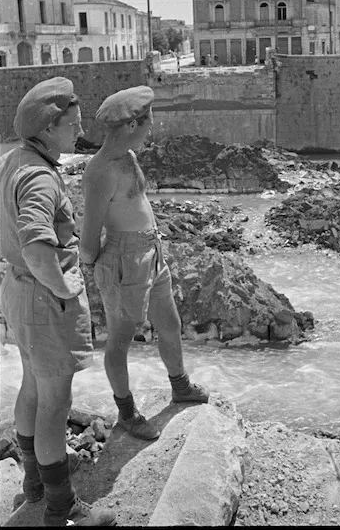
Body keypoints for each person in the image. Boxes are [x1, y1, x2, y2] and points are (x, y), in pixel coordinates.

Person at [0, 77, 116, 527]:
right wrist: (65, 288)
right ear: (49, 126)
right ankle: (62, 509)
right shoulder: (40, 178)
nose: (79, 131)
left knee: (32, 388)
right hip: (44, 299)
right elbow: (36, 247)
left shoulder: (12, 160)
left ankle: (33, 488)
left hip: (18, 293)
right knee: (55, 405)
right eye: (73, 123)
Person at [80, 86, 209, 441]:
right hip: (124, 259)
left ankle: (179, 385)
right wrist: (98, 271)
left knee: (170, 322)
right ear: (131, 123)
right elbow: (89, 236)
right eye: (148, 120)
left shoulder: (129, 157)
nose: (152, 127)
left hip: (151, 253)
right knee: (120, 339)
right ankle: (127, 414)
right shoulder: (100, 172)